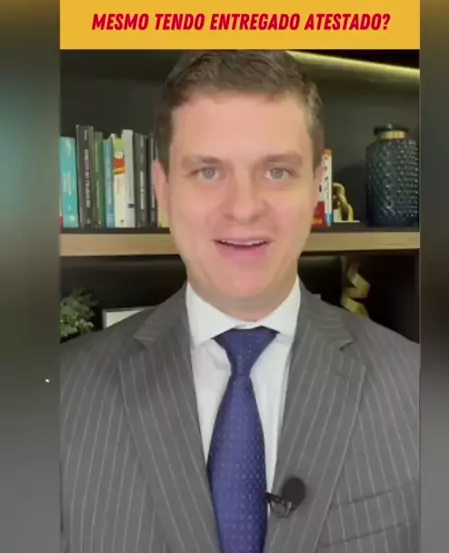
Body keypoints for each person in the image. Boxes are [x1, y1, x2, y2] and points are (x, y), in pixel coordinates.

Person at [60, 50, 419, 553]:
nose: (245, 208)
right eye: (209, 172)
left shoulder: (420, 390)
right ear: (163, 190)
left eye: (277, 172)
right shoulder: (56, 400)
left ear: (316, 185)